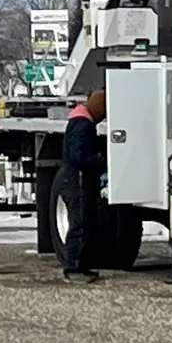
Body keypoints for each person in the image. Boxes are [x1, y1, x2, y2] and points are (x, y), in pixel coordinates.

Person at [59, 89, 106, 281]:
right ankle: (74, 267)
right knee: (79, 224)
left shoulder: (78, 121)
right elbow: (78, 155)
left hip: (75, 179)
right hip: (78, 180)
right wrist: (99, 160)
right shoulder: (83, 125)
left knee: (84, 223)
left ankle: (81, 265)